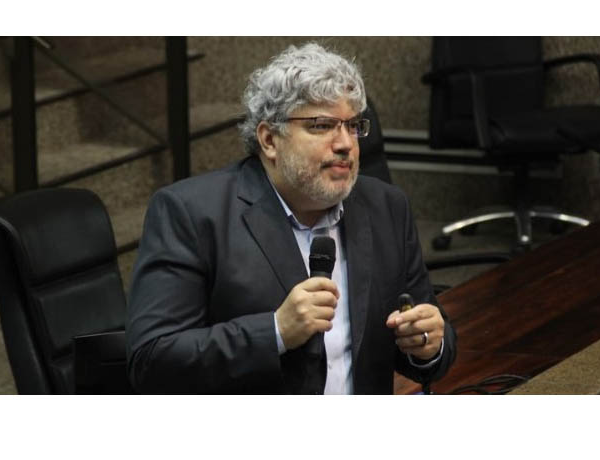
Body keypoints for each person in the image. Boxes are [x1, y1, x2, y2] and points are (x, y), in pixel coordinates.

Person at [126, 42, 456, 394]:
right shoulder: (191, 214)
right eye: (321, 125)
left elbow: (430, 343)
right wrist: (275, 331)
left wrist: (428, 345)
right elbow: (151, 362)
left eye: (353, 126)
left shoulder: (386, 207)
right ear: (270, 140)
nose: (345, 143)